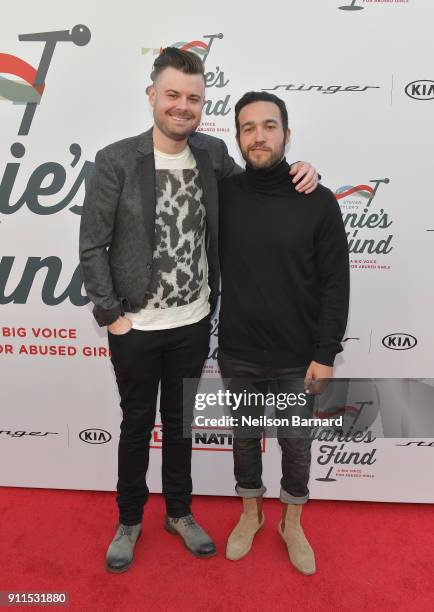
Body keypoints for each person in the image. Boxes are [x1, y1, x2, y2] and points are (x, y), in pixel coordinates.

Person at [79, 48, 318, 573]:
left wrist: (302, 169)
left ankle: (181, 513)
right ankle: (129, 520)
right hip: (135, 327)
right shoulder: (116, 159)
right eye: (172, 96)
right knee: (138, 424)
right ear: (152, 97)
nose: (182, 106)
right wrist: (112, 315)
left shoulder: (212, 156)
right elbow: (92, 245)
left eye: (193, 98)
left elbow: (261, 181)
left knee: (181, 424)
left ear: (202, 104)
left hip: (192, 323)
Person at [217, 91, 350, 574]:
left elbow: (337, 283)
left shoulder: (319, 200)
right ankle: (250, 515)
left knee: (297, 445)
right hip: (240, 351)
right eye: (248, 127)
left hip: (300, 356)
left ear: (286, 134)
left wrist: (326, 352)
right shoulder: (225, 194)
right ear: (237, 138)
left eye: (269, 126)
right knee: (245, 439)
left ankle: (291, 523)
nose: (258, 136)